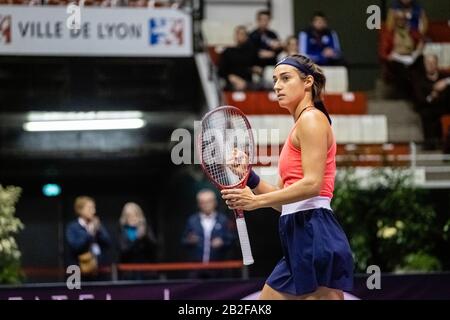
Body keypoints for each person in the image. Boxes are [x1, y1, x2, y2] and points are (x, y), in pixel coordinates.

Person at [221, 54, 354, 300]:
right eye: (274, 80)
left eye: (285, 78)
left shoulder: (312, 119)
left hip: (314, 231)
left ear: (307, 82)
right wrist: (249, 177)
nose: (277, 86)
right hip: (300, 231)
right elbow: (284, 203)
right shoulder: (300, 124)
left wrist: (255, 202)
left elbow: (313, 185)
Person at [181, 189, 235, 279]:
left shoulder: (223, 220)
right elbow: (183, 240)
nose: (206, 205)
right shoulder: (192, 221)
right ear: (198, 204)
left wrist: (222, 242)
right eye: (202, 202)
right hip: (196, 269)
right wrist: (190, 240)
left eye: (209, 201)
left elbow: (232, 239)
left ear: (214, 202)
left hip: (219, 269)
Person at [66, 196, 112, 281]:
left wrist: (98, 231)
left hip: (99, 270)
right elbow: (76, 247)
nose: (93, 211)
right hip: (79, 272)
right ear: (80, 210)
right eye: (90, 208)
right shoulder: (73, 227)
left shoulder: (97, 226)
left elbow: (108, 243)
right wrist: (90, 234)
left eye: (94, 208)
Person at [412, 54, 450, 149]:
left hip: (444, 105)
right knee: (427, 114)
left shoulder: (444, 76)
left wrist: (445, 82)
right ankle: (430, 143)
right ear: (424, 64)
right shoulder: (420, 80)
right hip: (428, 106)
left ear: (437, 64)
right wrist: (432, 95)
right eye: (428, 63)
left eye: (433, 63)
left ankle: (445, 144)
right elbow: (421, 99)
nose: (431, 65)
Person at [118, 202, 158, 280]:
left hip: (145, 271)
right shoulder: (122, 230)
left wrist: (145, 236)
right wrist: (137, 238)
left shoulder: (145, 228)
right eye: (129, 215)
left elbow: (154, 247)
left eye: (135, 214)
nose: (132, 218)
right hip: (129, 272)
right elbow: (123, 250)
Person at [218, 25, 260, 91]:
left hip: (248, 83)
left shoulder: (252, 52)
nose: (240, 36)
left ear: (246, 37)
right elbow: (221, 71)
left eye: (243, 34)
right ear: (235, 36)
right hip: (232, 82)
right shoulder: (228, 52)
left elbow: (257, 67)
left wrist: (257, 70)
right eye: (238, 34)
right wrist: (231, 78)